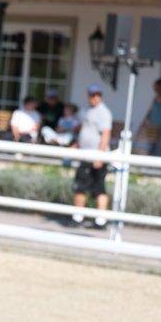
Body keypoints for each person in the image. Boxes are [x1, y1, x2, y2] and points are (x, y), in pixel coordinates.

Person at [71, 84, 113, 228]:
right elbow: (85, 131)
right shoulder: (87, 111)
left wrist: (100, 156)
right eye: (92, 95)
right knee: (80, 187)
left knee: (99, 188)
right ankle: (78, 217)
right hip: (85, 155)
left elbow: (106, 135)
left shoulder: (103, 112)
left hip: (96, 156)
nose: (94, 97)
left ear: (100, 96)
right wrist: (77, 144)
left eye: (97, 95)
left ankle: (100, 220)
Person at [136, 79, 161, 155]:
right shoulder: (156, 98)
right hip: (152, 125)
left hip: (160, 126)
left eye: (156, 87)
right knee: (149, 147)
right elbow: (150, 111)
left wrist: (158, 94)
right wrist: (143, 123)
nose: (155, 89)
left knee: (158, 147)